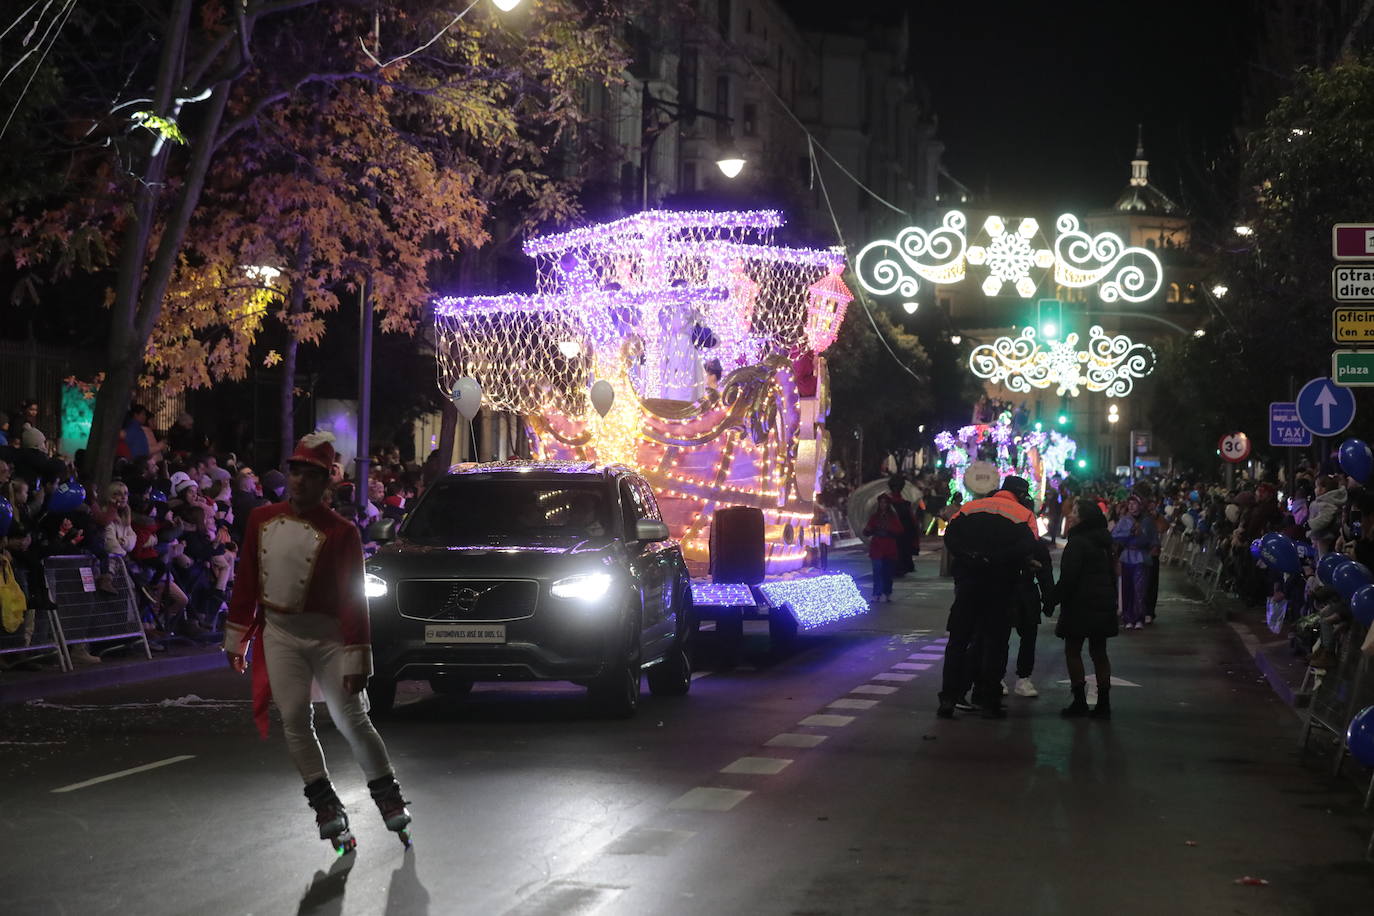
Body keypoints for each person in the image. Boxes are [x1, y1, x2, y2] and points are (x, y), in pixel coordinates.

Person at [224, 431, 412, 851]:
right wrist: (237, 636)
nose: (299, 481)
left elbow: (352, 598)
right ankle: (325, 803)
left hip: (327, 635)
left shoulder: (342, 531)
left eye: (310, 474)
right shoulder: (261, 520)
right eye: (295, 472)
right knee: (293, 718)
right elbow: (248, 580)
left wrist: (357, 657)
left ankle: (387, 795)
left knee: (351, 717)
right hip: (281, 632)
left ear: (326, 480)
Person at [938, 475, 1039, 719]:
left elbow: (950, 536)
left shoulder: (970, 507)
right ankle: (989, 699)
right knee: (995, 642)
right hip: (1001, 586)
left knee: (959, 641)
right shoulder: (1023, 515)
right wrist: (997, 560)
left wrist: (970, 556)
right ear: (1021, 495)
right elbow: (1029, 545)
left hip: (968, 584)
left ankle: (949, 698)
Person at [1055, 500, 1118, 719]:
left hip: (1080, 603)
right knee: (1099, 652)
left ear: (1083, 518)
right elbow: (1113, 573)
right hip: (1103, 601)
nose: (1070, 516)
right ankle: (1103, 704)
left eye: (1074, 512)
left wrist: (1053, 598)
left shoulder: (1078, 542)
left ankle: (1079, 701)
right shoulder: (1104, 541)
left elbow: (1069, 577)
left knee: (1073, 650)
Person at [1112, 494, 1156, 629]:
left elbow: (1153, 539)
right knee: (1127, 588)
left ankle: (1139, 618)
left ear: (1140, 505)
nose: (1131, 506)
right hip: (1127, 557)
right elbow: (1114, 535)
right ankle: (1128, 617)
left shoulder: (1147, 521)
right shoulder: (1124, 520)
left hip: (1141, 557)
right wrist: (1128, 535)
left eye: (1134, 503)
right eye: (1129, 504)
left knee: (1139, 589)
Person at [863, 494, 901, 603]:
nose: (883, 505)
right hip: (877, 547)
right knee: (877, 571)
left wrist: (889, 530)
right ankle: (876, 593)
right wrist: (869, 530)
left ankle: (886, 592)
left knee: (887, 572)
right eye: (881, 502)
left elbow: (899, 530)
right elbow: (867, 530)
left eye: (885, 503)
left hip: (889, 546)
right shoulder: (874, 517)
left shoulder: (893, 517)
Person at [885, 475, 919, 576]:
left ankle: (899, 567)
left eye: (898, 487)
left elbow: (911, 520)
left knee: (901, 550)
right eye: (895, 487)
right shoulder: (888, 502)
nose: (897, 489)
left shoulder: (903, 503)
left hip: (902, 532)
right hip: (895, 532)